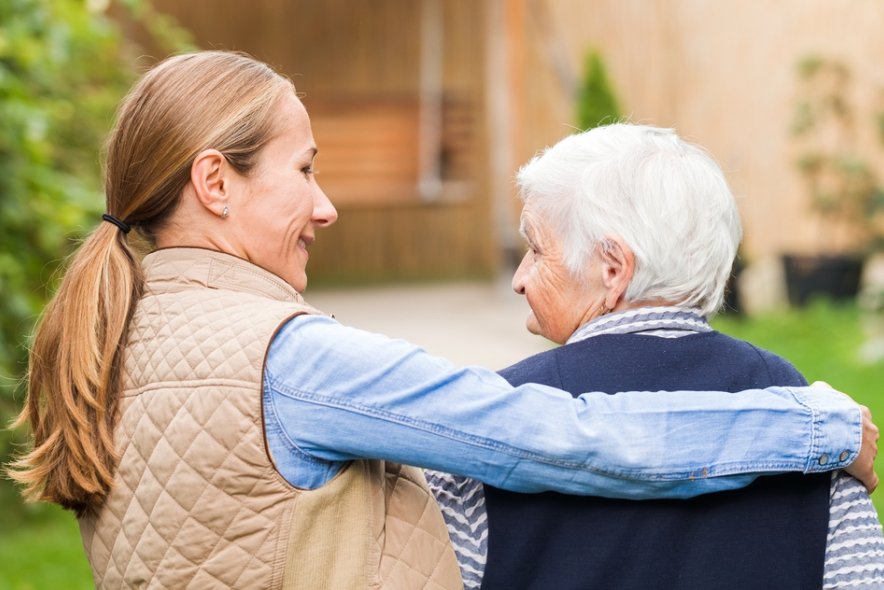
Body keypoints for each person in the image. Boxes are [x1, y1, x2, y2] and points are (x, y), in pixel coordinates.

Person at [6, 52, 876, 589]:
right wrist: (822, 426)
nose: (326, 205)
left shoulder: (121, 339)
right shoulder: (289, 361)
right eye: (304, 170)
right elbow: (563, 438)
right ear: (215, 183)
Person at [427, 124, 884, 590]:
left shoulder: (492, 418)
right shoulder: (807, 415)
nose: (519, 279)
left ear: (613, 268)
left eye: (536, 249)